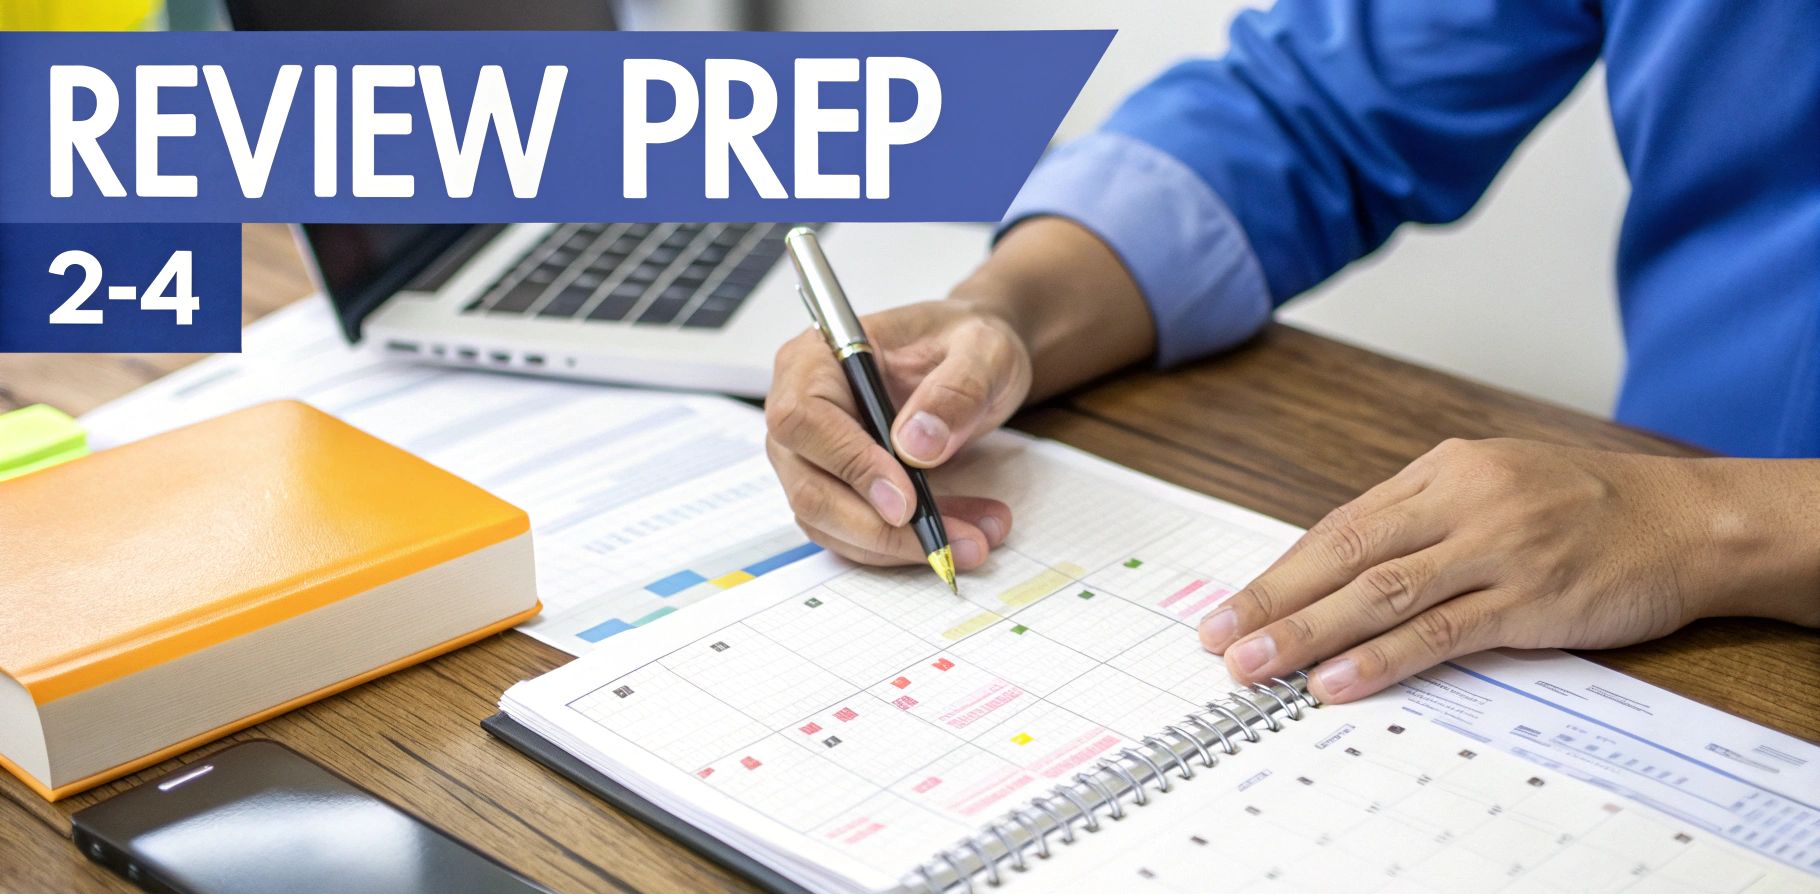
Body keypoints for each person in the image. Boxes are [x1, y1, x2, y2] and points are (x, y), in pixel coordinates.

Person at [763, 0, 1820, 704]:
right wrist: (1007, 314)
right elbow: (1312, 111)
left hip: (1654, 564)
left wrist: (1703, 526)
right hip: (1654, 638)